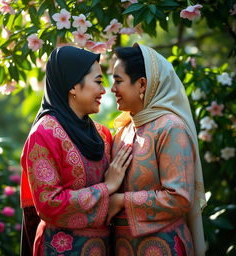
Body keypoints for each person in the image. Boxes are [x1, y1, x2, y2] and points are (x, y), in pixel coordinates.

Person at [20, 45, 132, 256]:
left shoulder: (102, 135)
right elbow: (49, 204)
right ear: (73, 85)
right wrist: (106, 188)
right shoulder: (44, 134)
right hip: (60, 250)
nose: (103, 90)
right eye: (98, 82)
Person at [108, 43, 206, 256]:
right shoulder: (123, 131)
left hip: (164, 246)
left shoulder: (171, 128)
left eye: (118, 81)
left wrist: (121, 201)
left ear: (142, 84)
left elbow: (180, 197)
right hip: (124, 247)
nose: (112, 89)